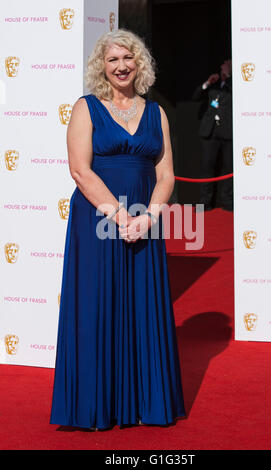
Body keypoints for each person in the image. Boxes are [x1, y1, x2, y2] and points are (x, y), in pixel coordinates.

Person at [50, 28, 186, 431]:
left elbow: (166, 174)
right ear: (101, 66)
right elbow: (80, 169)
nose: (121, 66)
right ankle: (96, 407)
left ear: (139, 63)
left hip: (146, 221)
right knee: (98, 305)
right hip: (97, 220)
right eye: (113, 60)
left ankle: (147, 402)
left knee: (143, 306)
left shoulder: (156, 112)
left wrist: (148, 217)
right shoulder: (85, 107)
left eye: (128, 58)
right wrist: (121, 216)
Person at [192, 59, 233, 211]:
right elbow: (196, 96)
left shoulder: (233, 84)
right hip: (210, 131)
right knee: (207, 167)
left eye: (227, 65)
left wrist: (228, 77)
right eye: (223, 65)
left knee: (228, 168)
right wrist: (207, 83)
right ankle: (204, 203)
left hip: (227, 131)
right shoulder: (213, 84)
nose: (223, 67)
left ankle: (228, 202)